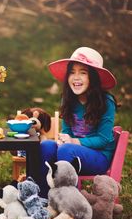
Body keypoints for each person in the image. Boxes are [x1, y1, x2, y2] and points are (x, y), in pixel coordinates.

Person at [39, 47, 118, 198]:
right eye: (72, 72)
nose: (76, 77)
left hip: (98, 157)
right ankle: (44, 197)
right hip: (74, 151)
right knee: (47, 146)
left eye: (83, 72)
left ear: (93, 78)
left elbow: (103, 139)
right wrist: (64, 138)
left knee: (67, 150)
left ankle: (69, 201)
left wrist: (73, 141)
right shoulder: (69, 99)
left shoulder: (106, 102)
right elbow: (67, 130)